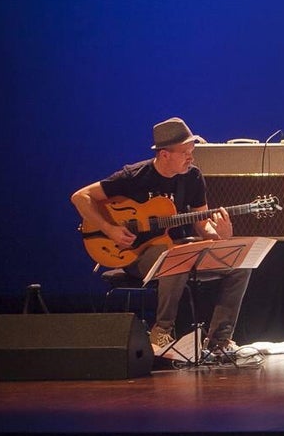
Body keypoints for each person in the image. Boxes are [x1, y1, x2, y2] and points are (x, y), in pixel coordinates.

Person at [71, 117, 251, 355]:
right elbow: (80, 197)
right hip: (136, 254)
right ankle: (162, 331)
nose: (191, 157)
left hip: (179, 248)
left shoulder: (192, 177)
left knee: (240, 264)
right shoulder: (134, 176)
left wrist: (219, 235)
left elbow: (201, 222)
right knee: (175, 257)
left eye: (192, 151)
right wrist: (110, 229)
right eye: (185, 152)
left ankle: (219, 341)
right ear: (164, 155)